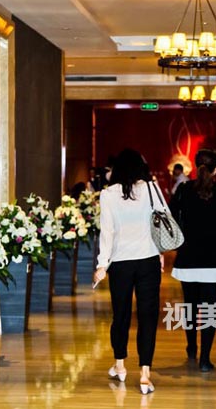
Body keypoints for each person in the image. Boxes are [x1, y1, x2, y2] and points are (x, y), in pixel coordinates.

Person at [94, 148, 164, 395]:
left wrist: (102, 264)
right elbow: (163, 220)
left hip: (121, 264)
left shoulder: (108, 194)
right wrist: (161, 253)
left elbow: (107, 231)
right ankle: (145, 374)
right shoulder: (152, 189)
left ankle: (120, 365)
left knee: (121, 315)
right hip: (148, 260)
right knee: (148, 317)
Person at [169, 149, 216, 372]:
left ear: (196, 167)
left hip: (188, 257)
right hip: (213, 259)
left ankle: (191, 346)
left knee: (190, 306)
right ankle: (205, 358)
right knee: (209, 309)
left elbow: (171, 217)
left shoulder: (184, 190)